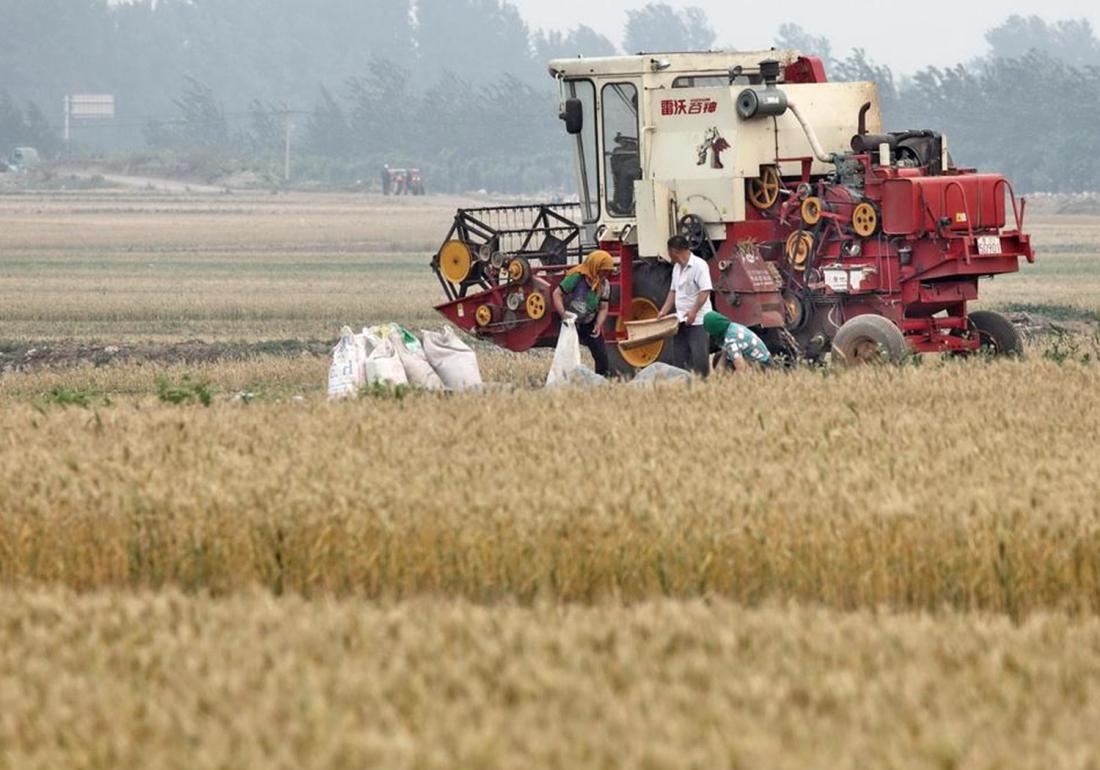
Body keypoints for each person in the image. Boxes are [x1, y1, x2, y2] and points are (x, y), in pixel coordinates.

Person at [553, 250, 615, 376]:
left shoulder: (605, 285)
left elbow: (603, 308)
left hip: (589, 322)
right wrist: (564, 315)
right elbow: (557, 294)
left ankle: (601, 382)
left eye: (607, 271)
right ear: (595, 266)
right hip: (570, 323)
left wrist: (598, 324)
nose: (605, 274)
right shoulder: (576, 277)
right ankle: (562, 380)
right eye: (603, 270)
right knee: (567, 355)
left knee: (601, 355)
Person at [658, 235, 713, 377]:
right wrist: (664, 310)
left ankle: (703, 387)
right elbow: (673, 291)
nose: (669, 256)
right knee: (680, 358)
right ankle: (683, 386)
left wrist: (693, 312)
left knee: (699, 359)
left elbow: (705, 291)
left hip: (699, 321)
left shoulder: (699, 265)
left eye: (669, 252)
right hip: (680, 320)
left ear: (674, 251)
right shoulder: (676, 268)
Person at [703, 312, 773, 373]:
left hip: (762, 365)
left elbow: (741, 369)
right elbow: (723, 359)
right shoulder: (731, 327)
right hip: (759, 360)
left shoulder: (731, 340)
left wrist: (730, 387)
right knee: (723, 358)